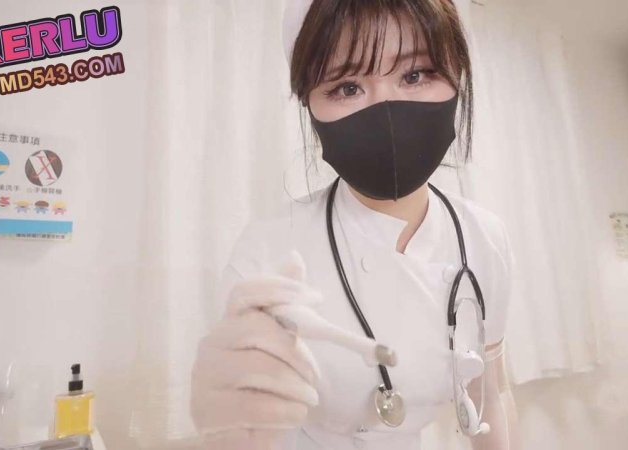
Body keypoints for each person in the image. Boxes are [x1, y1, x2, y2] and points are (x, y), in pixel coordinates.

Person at [190, 0, 519, 449]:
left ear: (457, 75)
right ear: (309, 106)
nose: (386, 110)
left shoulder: (485, 238)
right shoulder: (269, 252)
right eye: (347, 87)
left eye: (415, 75)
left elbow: (491, 394)